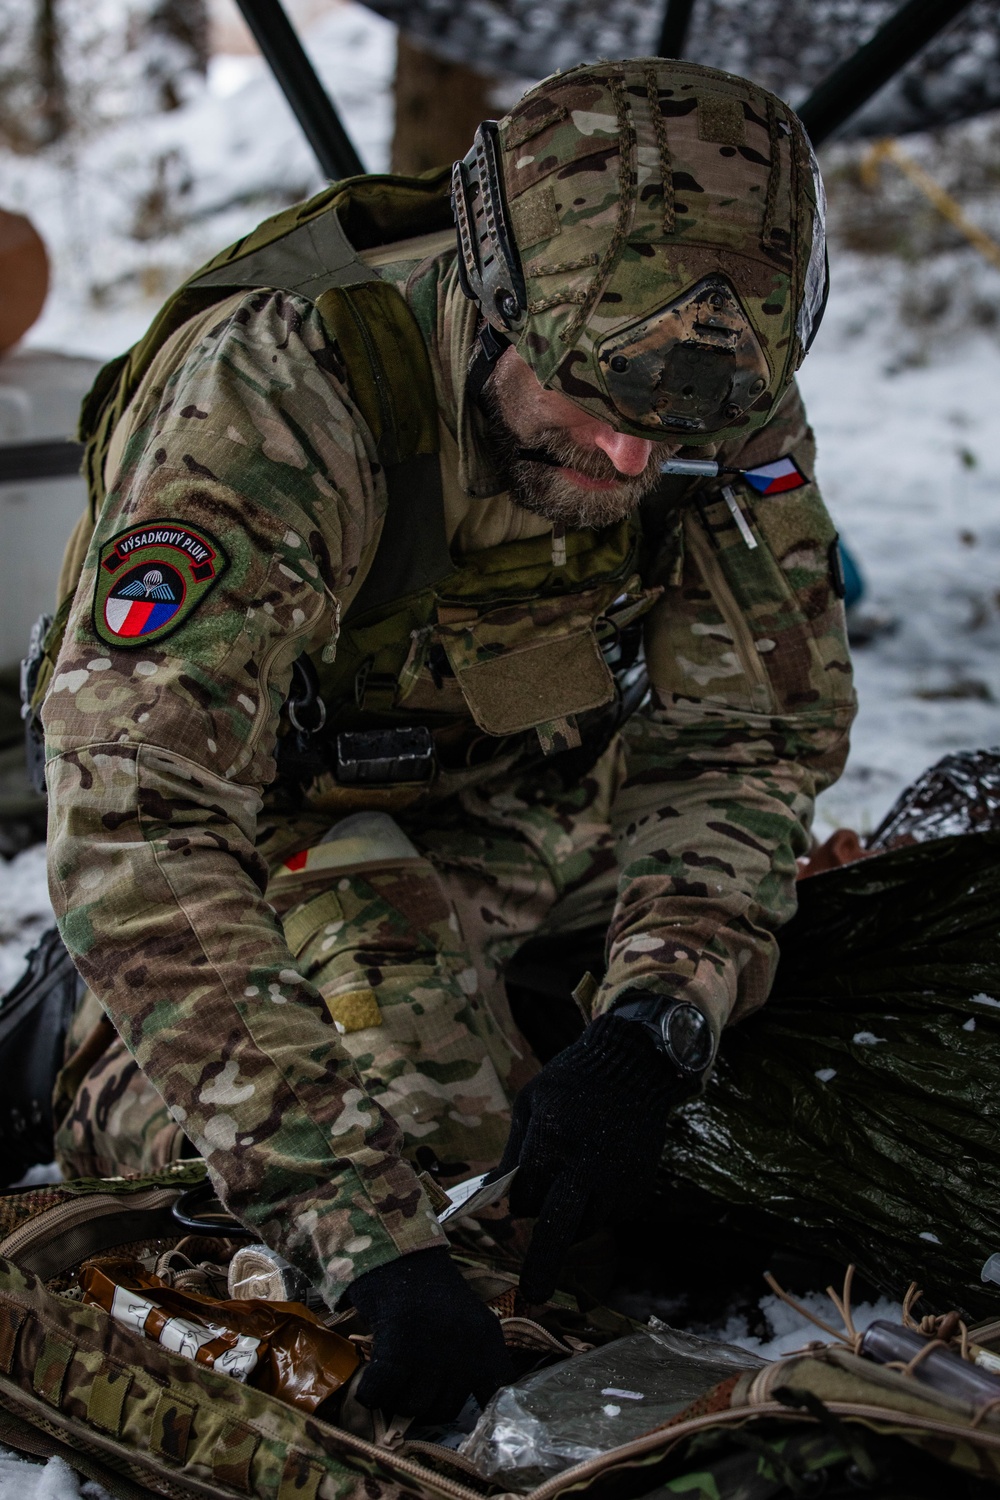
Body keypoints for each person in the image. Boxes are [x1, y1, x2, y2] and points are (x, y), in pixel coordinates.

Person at [39, 58, 854, 1421]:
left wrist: (661, 1013)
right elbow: (141, 818)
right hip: (271, 852)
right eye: (589, 406)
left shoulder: (704, 377)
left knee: (812, 1094)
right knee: (440, 1197)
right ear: (490, 290)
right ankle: (89, 1049)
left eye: (669, 430)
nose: (632, 459)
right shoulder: (287, 394)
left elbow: (745, 739)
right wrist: (365, 1239)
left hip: (547, 823)